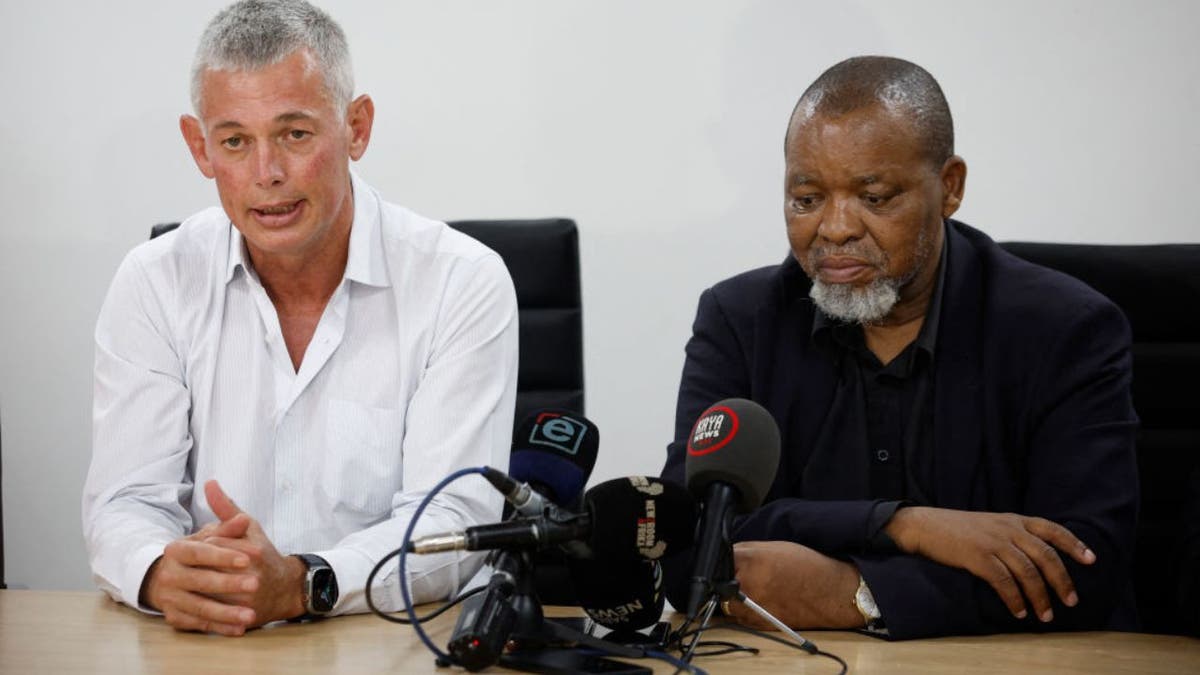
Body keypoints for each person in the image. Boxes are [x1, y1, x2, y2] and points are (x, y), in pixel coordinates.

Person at [661, 56, 1138, 640]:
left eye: (875, 197)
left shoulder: (1065, 329)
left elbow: (1081, 569)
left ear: (950, 187)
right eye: (807, 199)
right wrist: (906, 526)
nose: (835, 228)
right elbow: (688, 539)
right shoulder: (738, 320)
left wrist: (854, 593)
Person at [82, 0, 518, 636]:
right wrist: (160, 570)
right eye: (235, 141)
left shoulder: (460, 282)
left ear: (357, 128)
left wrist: (306, 581)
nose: (268, 174)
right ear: (199, 147)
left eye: (295, 133)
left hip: (390, 647)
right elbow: (124, 503)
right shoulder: (154, 281)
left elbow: (450, 523)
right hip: (211, 647)